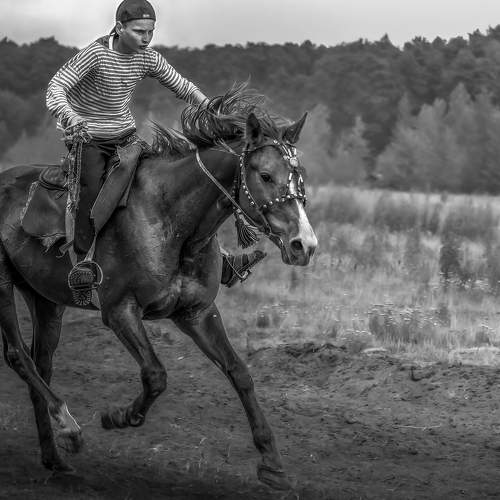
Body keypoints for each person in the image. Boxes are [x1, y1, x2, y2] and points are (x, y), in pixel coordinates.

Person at [46, 0, 263, 291]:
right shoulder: (95, 55)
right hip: (89, 139)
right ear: (119, 28)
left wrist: (212, 110)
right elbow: (56, 87)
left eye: (150, 32)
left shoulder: (148, 58)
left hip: (126, 138)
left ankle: (222, 262)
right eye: (139, 32)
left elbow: (182, 86)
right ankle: (83, 262)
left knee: (168, 187)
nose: (146, 38)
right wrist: (70, 116)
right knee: (91, 190)